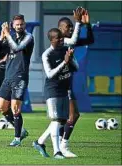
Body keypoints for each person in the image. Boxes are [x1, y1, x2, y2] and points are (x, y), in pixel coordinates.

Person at [33, 28, 79, 159]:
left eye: (62, 38)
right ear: (51, 39)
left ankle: (40, 142)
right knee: (56, 120)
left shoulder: (66, 50)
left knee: (62, 120)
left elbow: (77, 67)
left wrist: (70, 60)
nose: (61, 40)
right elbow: (50, 74)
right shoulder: (47, 54)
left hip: (64, 89)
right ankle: (57, 152)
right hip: (52, 90)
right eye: (58, 38)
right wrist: (64, 62)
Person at [58, 7, 94, 157]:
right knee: (74, 115)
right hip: (60, 84)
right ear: (60, 29)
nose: (71, 28)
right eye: (68, 26)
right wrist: (79, 22)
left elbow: (90, 40)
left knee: (62, 119)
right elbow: (72, 40)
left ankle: (53, 144)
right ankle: (63, 146)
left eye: (72, 26)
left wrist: (87, 25)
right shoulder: (60, 41)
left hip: (66, 83)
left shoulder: (69, 41)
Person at [0, 14, 33, 146]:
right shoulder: (9, 37)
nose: (19, 26)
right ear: (13, 25)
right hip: (8, 77)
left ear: (25, 24)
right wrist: (1, 37)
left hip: (20, 77)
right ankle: (21, 130)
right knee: (1, 107)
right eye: (17, 24)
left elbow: (17, 48)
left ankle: (17, 139)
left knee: (15, 108)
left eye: (21, 24)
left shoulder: (29, 37)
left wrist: (7, 35)